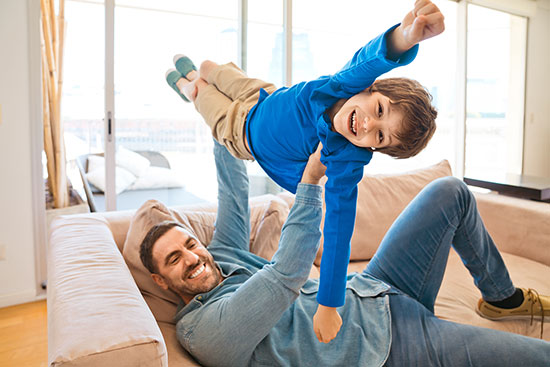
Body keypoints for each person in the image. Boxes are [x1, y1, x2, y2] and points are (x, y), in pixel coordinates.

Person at [165, 0, 444, 342]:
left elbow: (339, 230)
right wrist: (406, 36)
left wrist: (328, 304)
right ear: (371, 88)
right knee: (209, 68)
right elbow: (372, 56)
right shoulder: (343, 86)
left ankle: (187, 87)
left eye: (380, 136)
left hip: (240, 134)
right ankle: (196, 76)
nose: (369, 124)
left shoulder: (343, 159)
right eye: (380, 109)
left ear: (376, 149)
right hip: (261, 95)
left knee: (200, 92)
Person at [139, 140, 550, 367]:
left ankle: (502, 299)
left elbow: (232, 188)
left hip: (375, 286)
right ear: (160, 280)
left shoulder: (223, 255)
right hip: (390, 347)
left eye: (189, 244)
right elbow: (286, 275)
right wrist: (311, 178)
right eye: (173, 259)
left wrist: (218, 110)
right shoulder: (204, 331)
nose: (191, 257)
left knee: (451, 192)